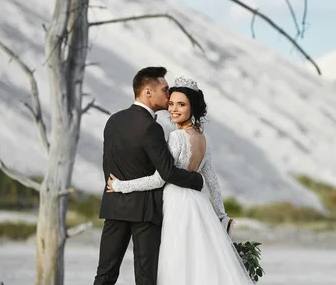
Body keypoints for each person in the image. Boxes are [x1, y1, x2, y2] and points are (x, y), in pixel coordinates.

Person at [106, 75, 253, 285]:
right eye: (171, 103)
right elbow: (211, 180)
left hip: (177, 205)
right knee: (200, 263)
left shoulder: (177, 137)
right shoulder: (202, 138)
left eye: (181, 104)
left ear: (193, 107)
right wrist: (221, 215)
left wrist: (120, 185)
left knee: (178, 264)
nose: (174, 109)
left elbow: (160, 179)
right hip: (200, 205)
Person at [93, 67, 205, 285]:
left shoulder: (113, 121)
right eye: (164, 89)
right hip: (145, 212)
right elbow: (167, 172)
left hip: (114, 206)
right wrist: (196, 180)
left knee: (105, 273)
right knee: (146, 278)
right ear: (147, 91)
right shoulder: (151, 128)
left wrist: (117, 187)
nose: (168, 94)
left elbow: (108, 166)